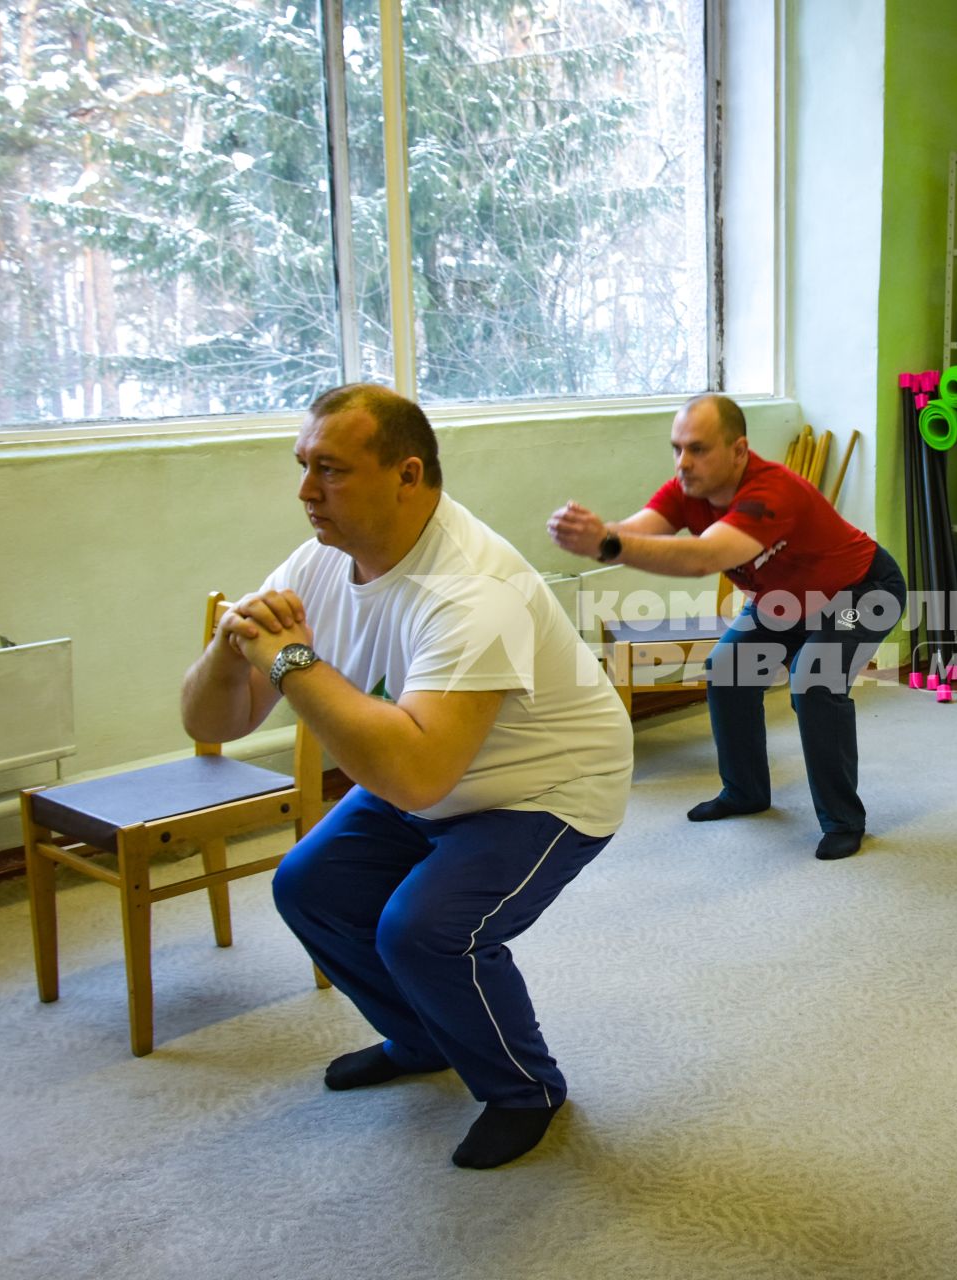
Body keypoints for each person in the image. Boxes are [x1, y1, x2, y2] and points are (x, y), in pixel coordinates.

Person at [181, 383, 632, 1170]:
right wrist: (227, 652)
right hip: (427, 771)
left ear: (407, 474)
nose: (305, 490)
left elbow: (418, 776)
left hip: (546, 788)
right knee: (308, 888)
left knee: (425, 929)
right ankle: (423, 1036)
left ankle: (525, 1089)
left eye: (330, 469)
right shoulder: (320, 560)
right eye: (302, 466)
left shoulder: (473, 588)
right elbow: (211, 724)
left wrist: (288, 659)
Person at [546, 393, 905, 861]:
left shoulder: (770, 493)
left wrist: (609, 545)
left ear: (739, 450)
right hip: (786, 600)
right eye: (677, 448)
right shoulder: (686, 490)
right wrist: (596, 536)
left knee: (814, 680)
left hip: (864, 592)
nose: (683, 462)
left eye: (697, 448)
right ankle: (746, 791)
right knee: (728, 667)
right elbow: (637, 531)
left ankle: (843, 820)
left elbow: (704, 558)